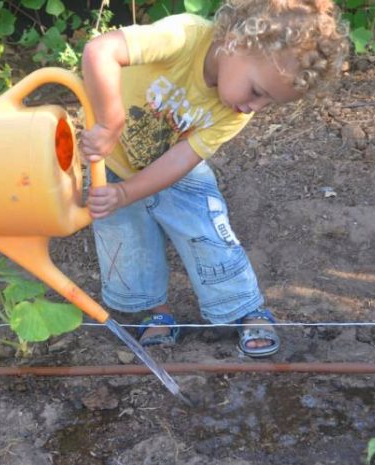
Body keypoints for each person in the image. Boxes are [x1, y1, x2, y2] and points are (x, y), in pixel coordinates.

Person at [78, 0, 348, 357]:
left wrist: (129, 191)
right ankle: (156, 314)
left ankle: (243, 307)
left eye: (268, 103)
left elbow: (183, 157)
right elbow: (100, 51)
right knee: (127, 241)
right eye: (256, 92)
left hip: (176, 171)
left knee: (206, 231)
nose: (255, 108)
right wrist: (110, 122)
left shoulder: (234, 112)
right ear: (236, 42)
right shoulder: (183, 37)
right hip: (112, 162)